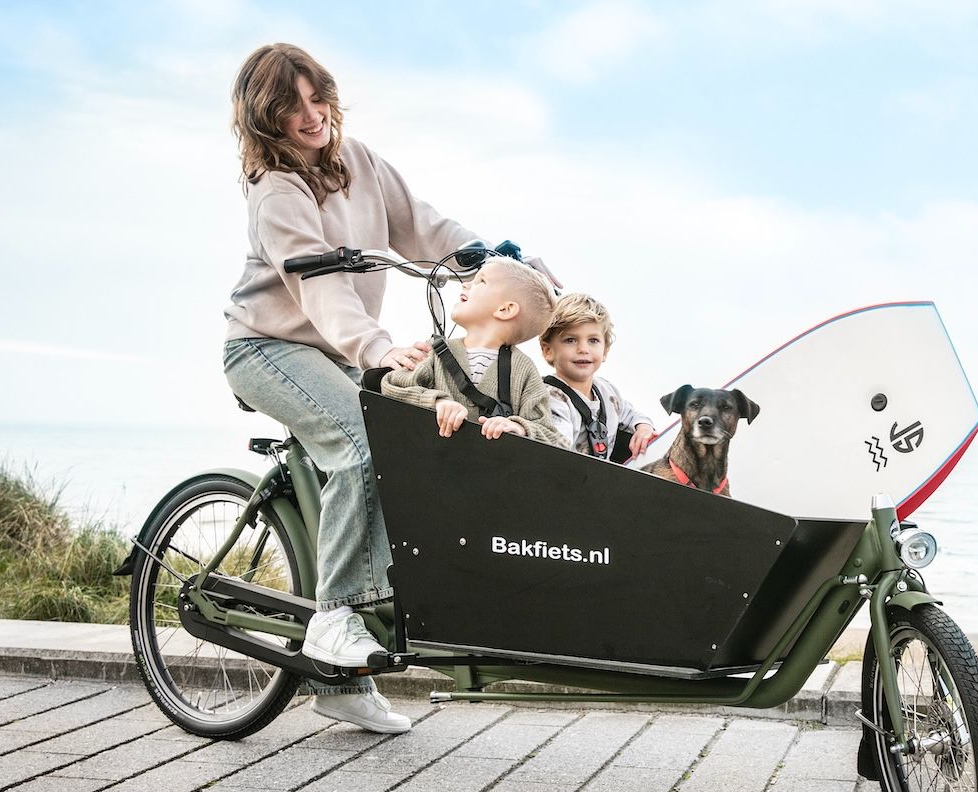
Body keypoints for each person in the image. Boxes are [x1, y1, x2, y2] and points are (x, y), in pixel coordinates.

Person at [222, 43, 555, 734]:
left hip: (331, 352)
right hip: (267, 346)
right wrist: (377, 352)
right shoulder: (277, 195)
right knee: (355, 441)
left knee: (403, 451)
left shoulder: (361, 163)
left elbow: (424, 228)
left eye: (320, 99)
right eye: (292, 106)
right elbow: (322, 293)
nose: (312, 117)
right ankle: (334, 618)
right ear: (265, 117)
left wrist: (495, 258)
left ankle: (344, 684)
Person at [381, 257, 565, 447]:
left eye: (481, 281)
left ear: (505, 309)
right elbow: (392, 387)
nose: (465, 284)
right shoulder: (435, 352)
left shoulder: (523, 369)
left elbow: (552, 436)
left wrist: (518, 428)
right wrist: (437, 403)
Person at [538, 294, 656, 461]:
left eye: (593, 340)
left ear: (605, 350)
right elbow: (557, 447)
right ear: (547, 350)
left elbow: (633, 415)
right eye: (570, 340)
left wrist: (643, 428)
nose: (583, 349)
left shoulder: (607, 391)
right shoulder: (550, 396)